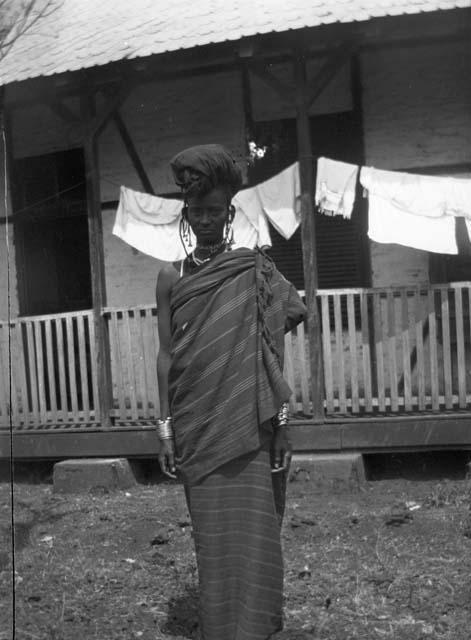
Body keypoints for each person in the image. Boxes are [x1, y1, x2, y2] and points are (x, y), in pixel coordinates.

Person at [156, 144, 306, 640]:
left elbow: (271, 350)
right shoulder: (169, 277)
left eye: (214, 211)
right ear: (185, 212)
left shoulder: (253, 269)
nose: (204, 220)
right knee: (213, 540)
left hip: (250, 424)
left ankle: (255, 628)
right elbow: (166, 356)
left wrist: (282, 426)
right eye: (196, 211)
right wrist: (165, 430)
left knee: (255, 533)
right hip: (198, 429)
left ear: (229, 213)